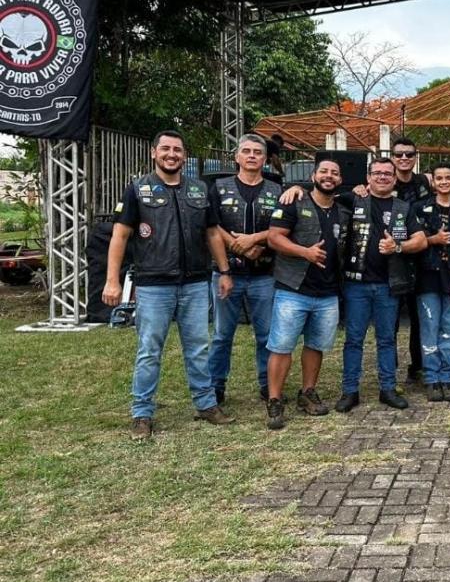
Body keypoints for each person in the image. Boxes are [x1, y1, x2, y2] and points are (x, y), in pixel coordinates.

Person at [102, 130, 235, 440]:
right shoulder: (138, 189)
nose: (171, 154)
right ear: (154, 153)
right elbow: (120, 236)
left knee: (198, 348)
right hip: (153, 286)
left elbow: (213, 233)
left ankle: (206, 404)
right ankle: (142, 414)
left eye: (177, 149)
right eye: (165, 149)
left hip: (195, 284)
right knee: (149, 350)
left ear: (184, 157)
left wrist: (224, 271)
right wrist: (112, 280)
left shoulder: (200, 190)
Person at [336, 157, 428, 412]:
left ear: (395, 178)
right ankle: (349, 391)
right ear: (368, 177)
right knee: (354, 340)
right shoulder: (353, 199)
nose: (382, 177)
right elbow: (321, 194)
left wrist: (397, 246)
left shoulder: (403, 207)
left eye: (387, 173)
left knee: (387, 339)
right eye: (377, 173)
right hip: (357, 284)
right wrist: (295, 189)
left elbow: (421, 241)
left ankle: (387, 389)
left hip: (390, 285)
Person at [263, 158, 344, 430]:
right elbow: (274, 238)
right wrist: (305, 252)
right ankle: (275, 399)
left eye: (334, 173)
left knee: (315, 346)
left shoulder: (342, 210)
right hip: (293, 289)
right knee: (281, 346)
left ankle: (307, 392)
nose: (329, 176)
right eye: (324, 171)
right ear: (314, 175)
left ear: (340, 180)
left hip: (328, 291)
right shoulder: (293, 201)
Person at [206, 134, 282, 405]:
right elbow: (211, 225)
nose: (252, 156)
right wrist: (239, 245)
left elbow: (282, 228)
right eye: (246, 151)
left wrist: (257, 240)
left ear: (264, 159)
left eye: (257, 152)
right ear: (237, 157)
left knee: (266, 335)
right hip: (227, 272)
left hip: (264, 274)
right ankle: (216, 387)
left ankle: (267, 384)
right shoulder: (219, 187)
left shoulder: (277, 190)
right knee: (222, 335)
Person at [413, 163, 450, 402]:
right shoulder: (420, 208)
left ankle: (447, 377)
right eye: (439, 178)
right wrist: (433, 239)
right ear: (433, 182)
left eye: (448, 178)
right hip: (428, 276)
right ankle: (431, 379)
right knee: (429, 329)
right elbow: (414, 241)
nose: (444, 182)